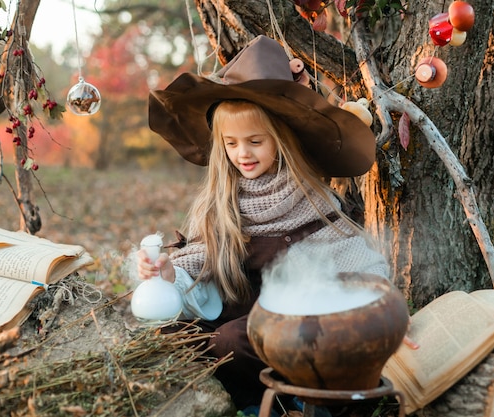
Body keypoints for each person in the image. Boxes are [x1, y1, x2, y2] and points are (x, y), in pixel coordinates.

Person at [138, 35, 401, 415]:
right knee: (173, 335)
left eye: (255, 141)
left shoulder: (310, 200)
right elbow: (196, 261)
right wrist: (166, 273)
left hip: (292, 332)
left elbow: (361, 264)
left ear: (281, 140)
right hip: (231, 322)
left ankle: (287, 402)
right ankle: (223, 401)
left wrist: (383, 310)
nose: (242, 154)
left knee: (233, 339)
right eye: (230, 143)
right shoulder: (220, 203)